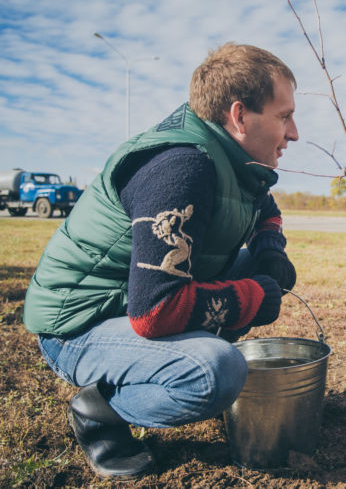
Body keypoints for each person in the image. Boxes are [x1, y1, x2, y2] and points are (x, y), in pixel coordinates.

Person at [23, 43, 299, 479]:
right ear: (240, 116)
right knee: (219, 370)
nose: (294, 132)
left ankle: (172, 368)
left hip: (132, 302)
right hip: (77, 325)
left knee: (255, 270)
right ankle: (102, 410)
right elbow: (155, 311)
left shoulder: (232, 158)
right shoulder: (181, 168)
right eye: (284, 116)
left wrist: (269, 250)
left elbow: (264, 207)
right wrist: (253, 296)